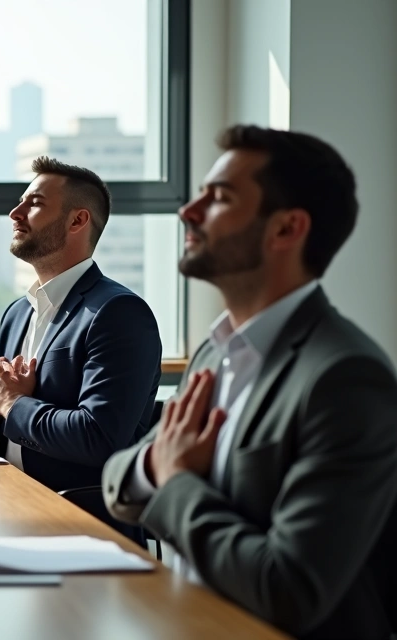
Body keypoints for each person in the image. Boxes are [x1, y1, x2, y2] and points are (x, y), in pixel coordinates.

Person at [102, 125, 397, 639]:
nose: (187, 212)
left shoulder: (347, 378)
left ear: (286, 229)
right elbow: (118, 484)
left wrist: (176, 482)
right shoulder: (215, 351)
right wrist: (156, 463)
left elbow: (289, 590)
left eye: (218, 198)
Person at [0, 157, 162, 498]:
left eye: (33, 204)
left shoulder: (118, 313)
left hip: (81, 520)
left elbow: (97, 437)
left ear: (77, 220)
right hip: (10, 502)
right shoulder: (18, 313)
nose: (14, 214)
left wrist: (13, 405)